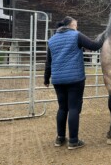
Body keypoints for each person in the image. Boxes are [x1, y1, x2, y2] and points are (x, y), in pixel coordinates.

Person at [44, 16, 104, 150]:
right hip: (75, 79)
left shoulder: (52, 39)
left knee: (62, 108)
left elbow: (48, 61)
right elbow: (94, 46)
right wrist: (105, 35)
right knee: (74, 108)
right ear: (71, 25)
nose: (77, 28)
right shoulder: (76, 35)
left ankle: (60, 138)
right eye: (76, 25)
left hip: (58, 80)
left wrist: (46, 78)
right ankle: (73, 141)